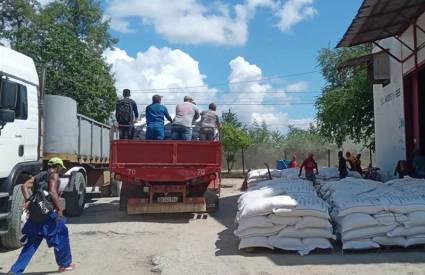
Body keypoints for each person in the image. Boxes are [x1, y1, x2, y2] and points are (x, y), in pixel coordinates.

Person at [9, 157, 75, 274]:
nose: (61, 171)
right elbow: (53, 192)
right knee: (61, 234)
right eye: (61, 169)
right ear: (58, 167)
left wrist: (29, 200)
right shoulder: (54, 175)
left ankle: (15, 271)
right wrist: (59, 209)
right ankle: (65, 264)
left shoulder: (38, 176)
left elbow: (24, 186)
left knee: (31, 244)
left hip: (36, 213)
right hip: (48, 214)